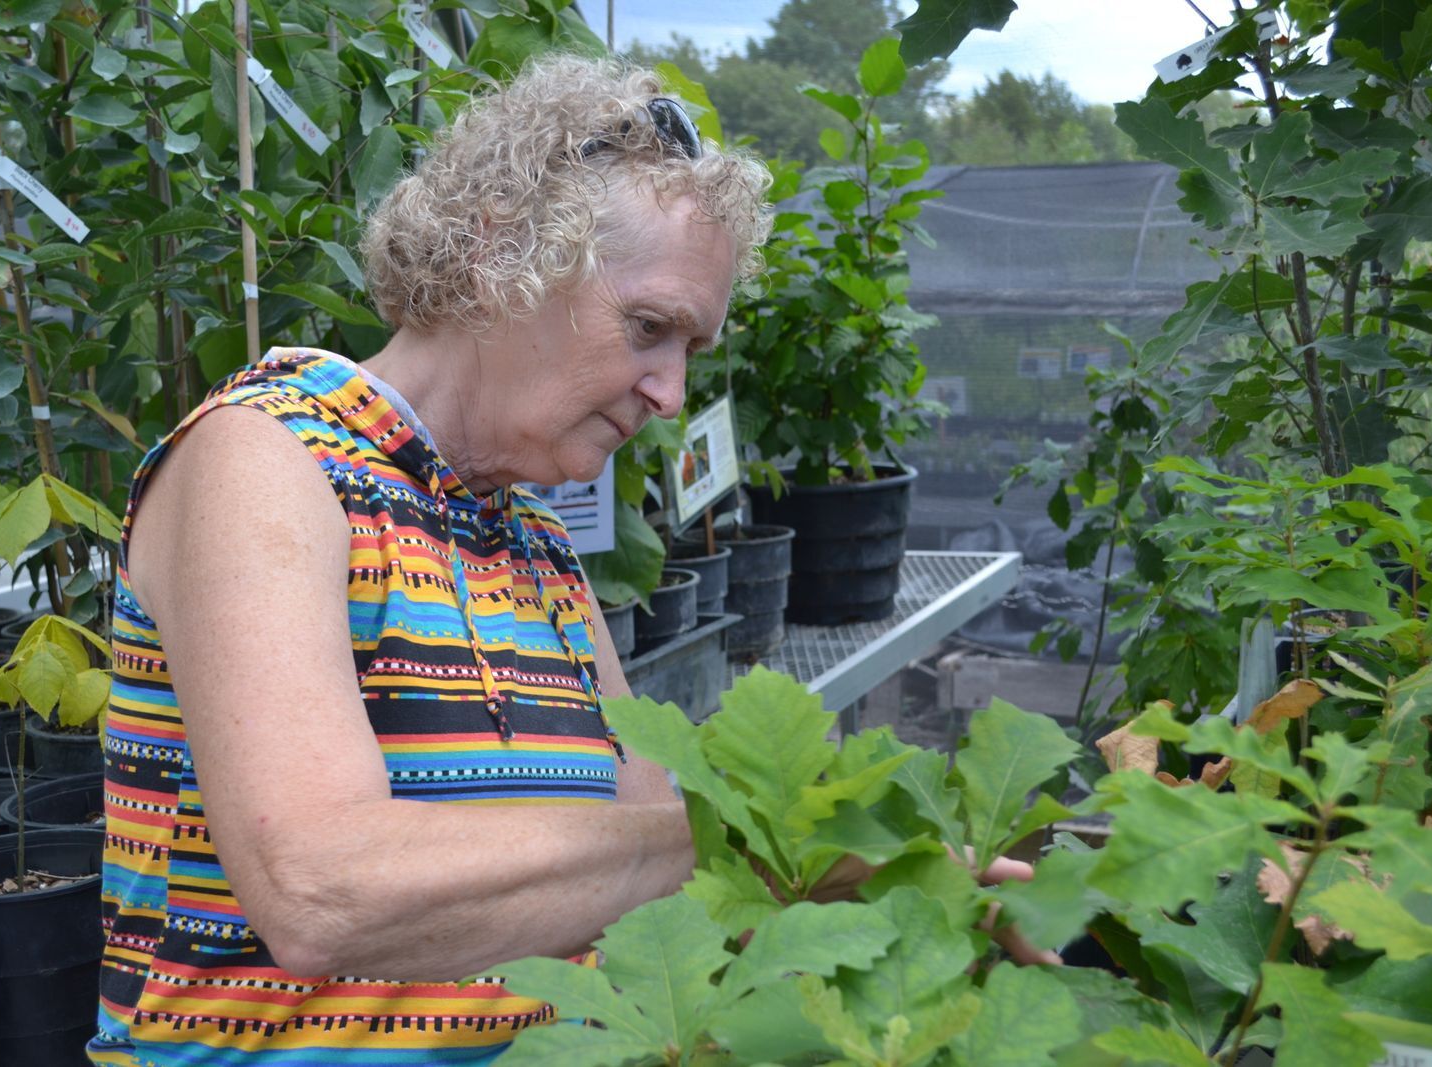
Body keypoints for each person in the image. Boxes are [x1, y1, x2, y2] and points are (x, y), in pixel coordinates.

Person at [88, 55, 1046, 1067]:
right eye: (647, 327)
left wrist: (899, 893)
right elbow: (324, 889)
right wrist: (772, 844)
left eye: (690, 349)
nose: (670, 391)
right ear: (508, 251)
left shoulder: (532, 542)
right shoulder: (268, 458)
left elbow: (656, 894)